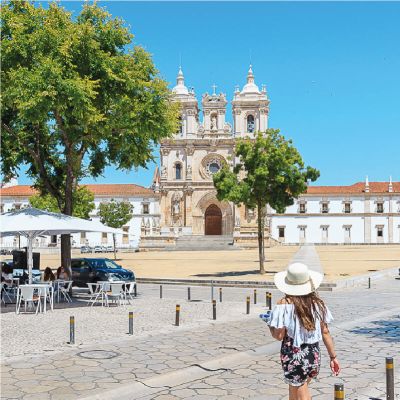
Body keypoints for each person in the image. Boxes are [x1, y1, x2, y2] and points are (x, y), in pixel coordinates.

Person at [267, 263, 340, 400]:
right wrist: (333, 357)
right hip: (313, 354)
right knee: (295, 390)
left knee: (300, 391)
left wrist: (270, 326)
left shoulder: (284, 304)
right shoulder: (318, 304)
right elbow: (325, 332)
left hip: (294, 356)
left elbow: (279, 335)